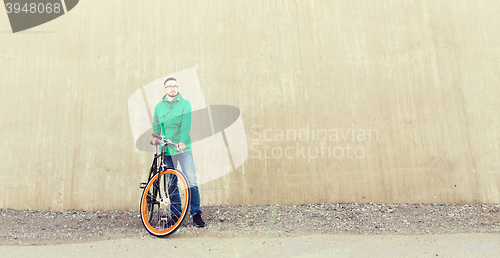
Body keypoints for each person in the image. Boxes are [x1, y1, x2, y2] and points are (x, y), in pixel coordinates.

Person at [151, 77, 205, 228]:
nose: (172, 88)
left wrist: (182, 142)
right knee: (170, 182)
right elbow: (156, 123)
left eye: (175, 86)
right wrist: (155, 137)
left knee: (191, 180)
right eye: (169, 86)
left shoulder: (185, 104)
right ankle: (175, 214)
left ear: (178, 88)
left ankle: (196, 214)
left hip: (182, 148)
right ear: (165, 89)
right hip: (167, 149)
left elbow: (186, 125)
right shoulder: (158, 107)